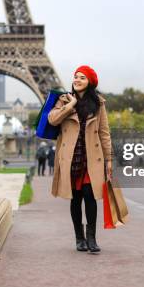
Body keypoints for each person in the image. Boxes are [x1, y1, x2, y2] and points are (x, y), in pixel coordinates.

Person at [48, 65, 113, 254]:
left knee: (90, 197)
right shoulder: (63, 100)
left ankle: (92, 238)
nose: (77, 80)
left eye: (82, 77)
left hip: (91, 157)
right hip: (71, 157)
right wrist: (70, 106)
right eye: (76, 76)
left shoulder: (99, 104)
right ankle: (79, 238)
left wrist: (109, 159)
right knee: (75, 199)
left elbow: (104, 133)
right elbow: (52, 120)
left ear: (90, 82)